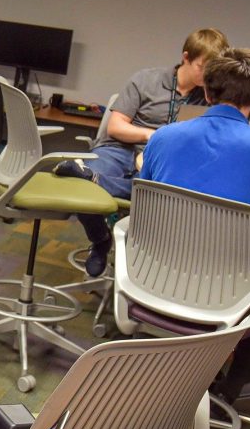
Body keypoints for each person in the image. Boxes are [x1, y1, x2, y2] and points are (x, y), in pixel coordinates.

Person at [139, 47, 250, 401]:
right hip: (226, 292)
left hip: (153, 278)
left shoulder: (162, 137)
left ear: (206, 91)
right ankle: (230, 386)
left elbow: (146, 202)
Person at [70, 28, 229, 276]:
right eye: (203, 67)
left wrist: (213, 98)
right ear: (186, 57)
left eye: (214, 70)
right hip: (119, 149)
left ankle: (98, 182)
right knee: (83, 188)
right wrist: (152, 135)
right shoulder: (146, 80)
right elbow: (116, 126)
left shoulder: (209, 98)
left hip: (163, 159)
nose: (208, 75)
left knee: (158, 191)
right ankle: (100, 239)